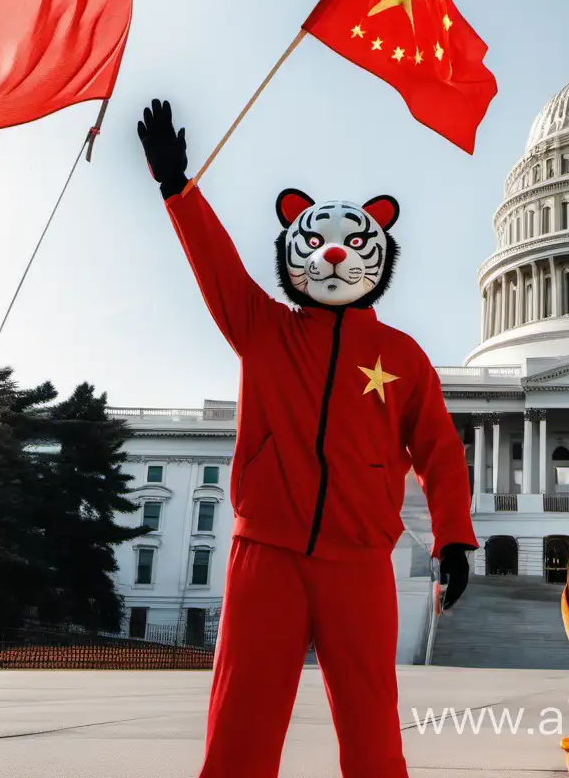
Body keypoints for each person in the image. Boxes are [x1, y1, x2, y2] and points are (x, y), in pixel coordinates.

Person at [137, 98, 477, 778]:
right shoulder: (263, 330)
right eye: (316, 243)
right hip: (266, 553)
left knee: (372, 724)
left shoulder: (402, 357)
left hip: (358, 561)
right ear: (292, 252)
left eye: (352, 246)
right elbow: (219, 270)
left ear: (378, 256)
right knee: (242, 720)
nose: (331, 256)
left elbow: (440, 451)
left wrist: (454, 537)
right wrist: (179, 191)